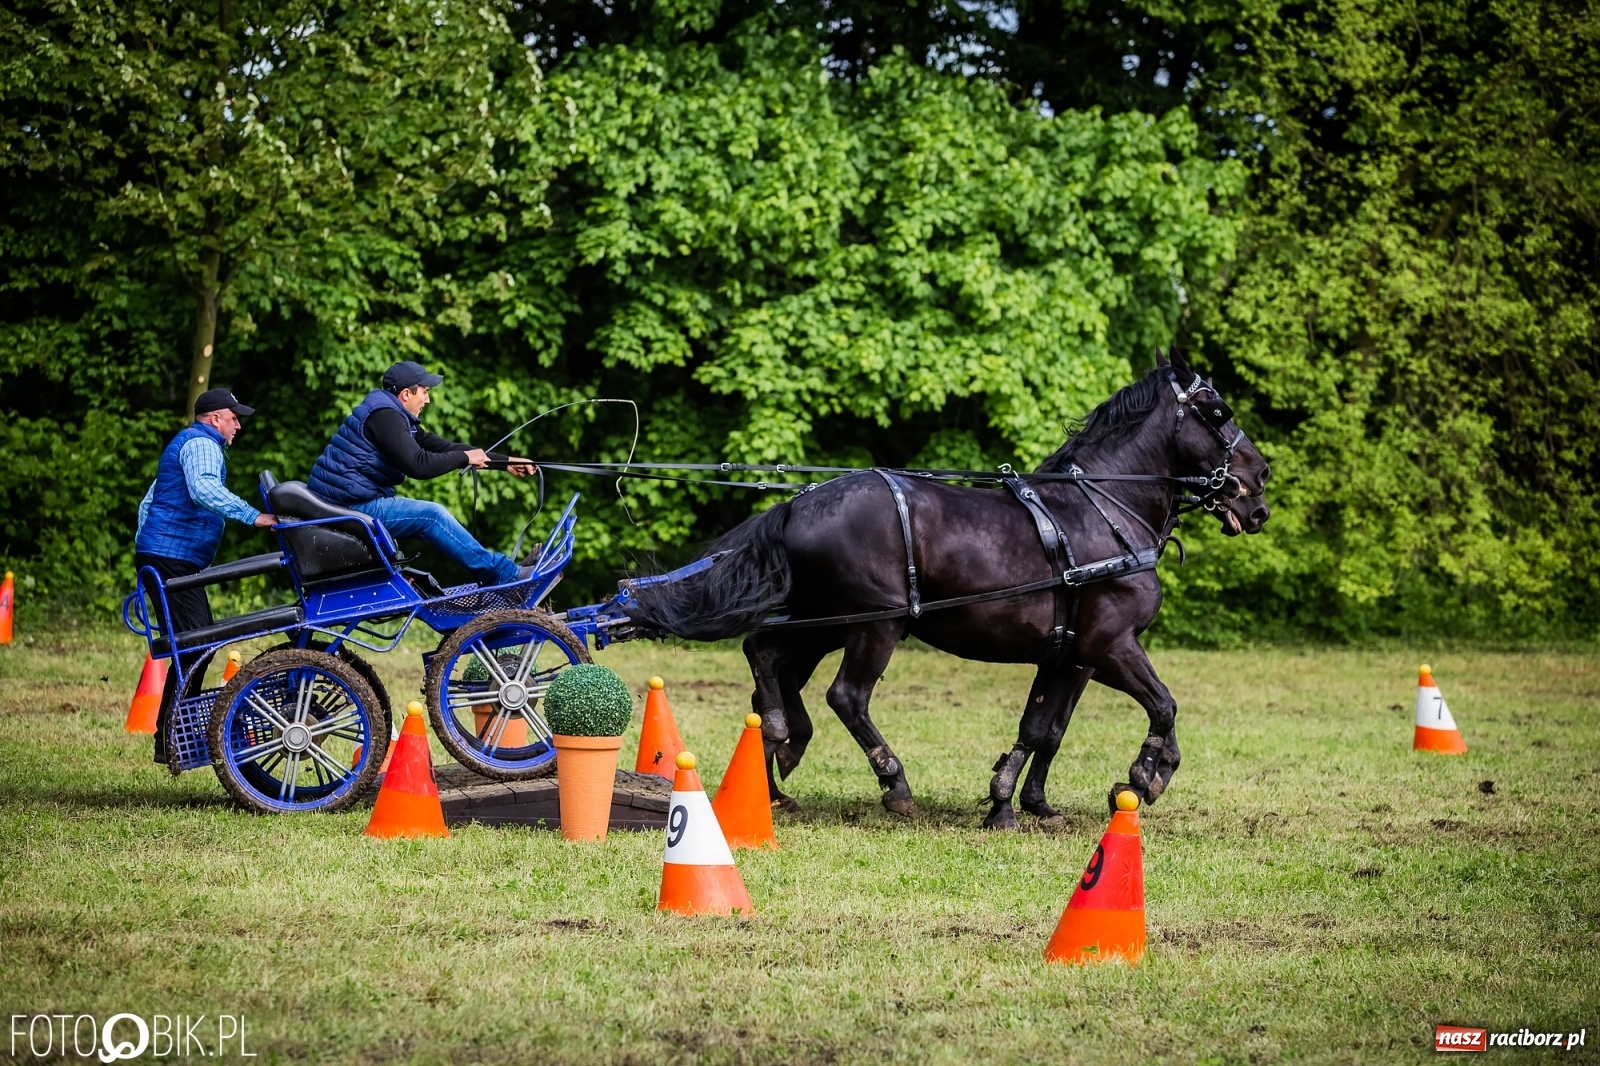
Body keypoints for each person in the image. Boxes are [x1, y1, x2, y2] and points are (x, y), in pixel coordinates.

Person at [134, 387, 278, 762]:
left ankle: (173, 737)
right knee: (195, 647)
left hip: (166, 558)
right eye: (234, 418)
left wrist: (148, 548)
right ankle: (172, 739)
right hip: (170, 560)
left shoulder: (188, 442)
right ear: (215, 418)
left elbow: (149, 501)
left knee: (194, 646)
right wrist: (254, 516)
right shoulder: (202, 444)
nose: (238, 426)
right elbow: (203, 489)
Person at [305, 361, 537, 584]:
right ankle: (503, 574)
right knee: (431, 516)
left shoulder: (392, 414)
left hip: (349, 503)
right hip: (349, 508)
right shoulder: (385, 417)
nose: (427, 399)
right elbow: (418, 465)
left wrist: (506, 462)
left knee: (430, 515)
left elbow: (443, 447)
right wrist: (465, 458)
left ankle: (502, 572)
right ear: (406, 394)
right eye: (424, 392)